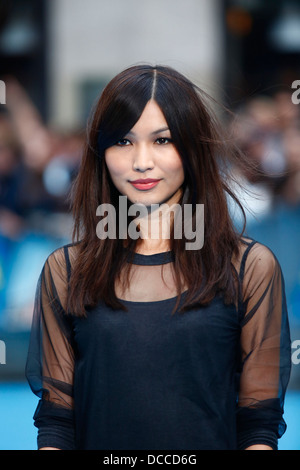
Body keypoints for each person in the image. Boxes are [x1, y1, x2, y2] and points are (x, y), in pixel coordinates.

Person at [26, 65, 291, 450]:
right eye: (123, 141)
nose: (142, 161)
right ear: (101, 152)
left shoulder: (249, 267)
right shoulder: (66, 272)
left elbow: (258, 424)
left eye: (163, 140)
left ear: (192, 148)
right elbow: (56, 422)